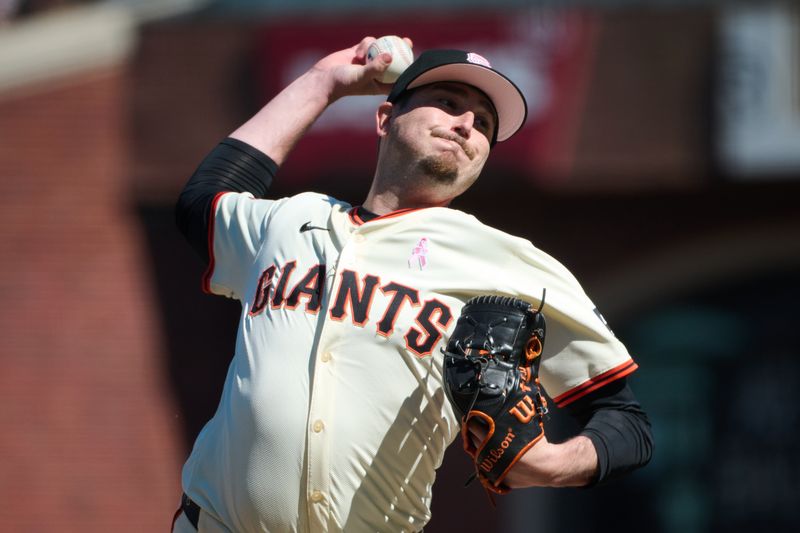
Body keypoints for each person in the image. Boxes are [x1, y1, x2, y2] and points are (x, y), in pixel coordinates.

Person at [172, 37, 653, 533]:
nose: (466, 124)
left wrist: (551, 464)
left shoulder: (509, 263)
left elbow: (626, 423)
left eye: (484, 124)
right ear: (384, 119)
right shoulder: (292, 220)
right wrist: (322, 83)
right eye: (447, 103)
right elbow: (200, 203)